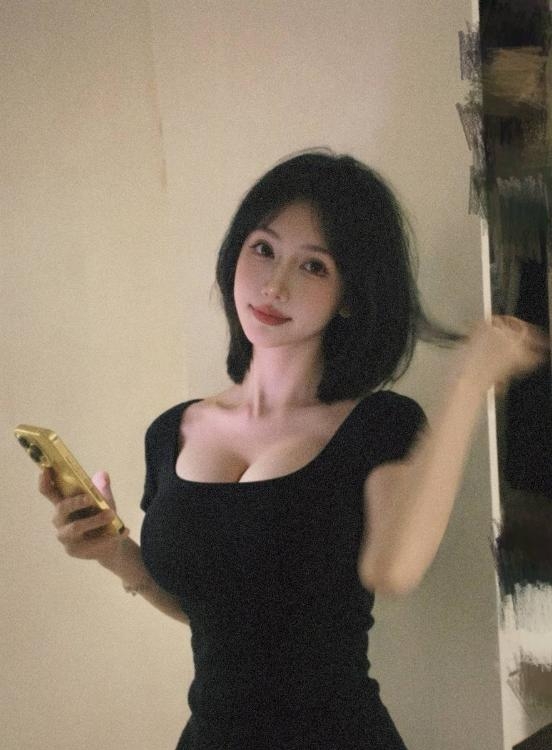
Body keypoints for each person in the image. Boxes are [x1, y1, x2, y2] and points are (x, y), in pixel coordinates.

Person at [39, 150, 549, 749]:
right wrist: (113, 551)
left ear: (349, 295)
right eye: (263, 249)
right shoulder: (171, 431)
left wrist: (467, 385)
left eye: (313, 266)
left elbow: (393, 569)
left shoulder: (377, 424)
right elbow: (215, 614)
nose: (274, 285)